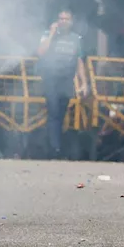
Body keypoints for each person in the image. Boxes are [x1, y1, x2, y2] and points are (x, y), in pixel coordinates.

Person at [36, 9, 86, 159]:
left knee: (61, 114)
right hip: (50, 79)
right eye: (61, 19)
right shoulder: (47, 35)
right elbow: (41, 52)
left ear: (71, 22)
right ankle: (54, 149)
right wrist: (51, 33)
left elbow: (79, 61)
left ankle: (54, 146)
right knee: (53, 112)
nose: (63, 22)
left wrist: (84, 82)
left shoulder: (76, 39)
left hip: (66, 80)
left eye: (66, 19)